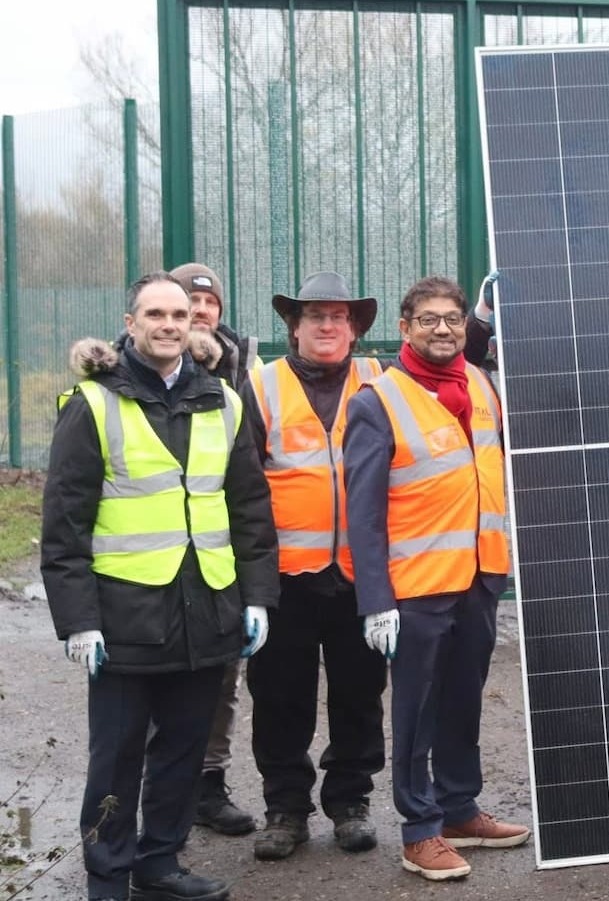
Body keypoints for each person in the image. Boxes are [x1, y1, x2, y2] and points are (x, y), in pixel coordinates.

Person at [42, 271, 279, 901]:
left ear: (194, 324)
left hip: (207, 611)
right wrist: (78, 621)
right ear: (131, 325)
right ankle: (107, 872)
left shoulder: (223, 401)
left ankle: (159, 863)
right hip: (126, 618)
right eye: (155, 314)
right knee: (117, 756)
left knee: (183, 748)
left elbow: (251, 511)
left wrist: (257, 597)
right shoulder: (93, 404)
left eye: (180, 314)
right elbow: (64, 528)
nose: (170, 324)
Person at [343, 276, 529, 881]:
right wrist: (376, 599)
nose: (443, 329)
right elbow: (363, 513)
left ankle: (457, 808)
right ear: (405, 329)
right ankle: (419, 828)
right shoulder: (378, 401)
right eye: (428, 320)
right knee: (417, 711)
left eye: (452, 318)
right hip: (415, 588)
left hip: (479, 577)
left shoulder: (479, 384)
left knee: (463, 700)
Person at [241, 272, 389, 862]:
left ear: (354, 328)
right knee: (279, 696)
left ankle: (350, 801)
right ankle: (285, 808)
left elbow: (452, 358)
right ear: (293, 327)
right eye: (314, 316)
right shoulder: (260, 386)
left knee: (360, 694)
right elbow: (244, 486)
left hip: (362, 575)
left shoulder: (382, 381)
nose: (327, 326)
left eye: (338, 316)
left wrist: (479, 317)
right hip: (285, 578)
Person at [169, 261, 264, 836]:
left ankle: (207, 785)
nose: (201, 311)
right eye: (187, 302)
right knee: (149, 685)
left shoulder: (244, 372)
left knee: (221, 676)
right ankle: (155, 796)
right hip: (147, 563)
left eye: (209, 304)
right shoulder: (118, 377)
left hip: (219, 551)